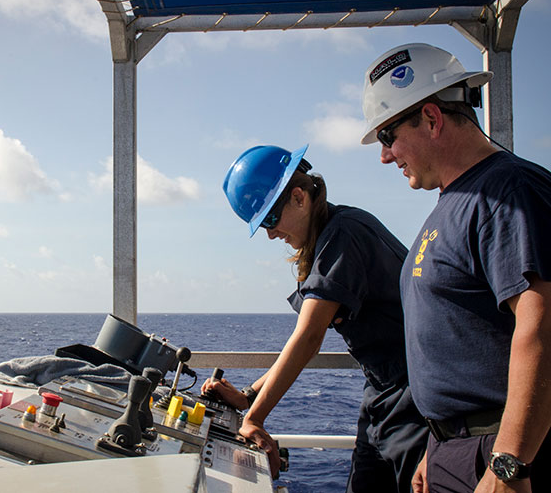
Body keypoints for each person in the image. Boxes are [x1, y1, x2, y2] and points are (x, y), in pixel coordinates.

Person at [359, 42, 551, 493]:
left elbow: (541, 327)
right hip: (457, 450)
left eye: (388, 136)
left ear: (431, 117)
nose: (385, 155)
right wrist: (438, 441)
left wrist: (510, 462)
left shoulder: (508, 191)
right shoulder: (457, 201)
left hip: (500, 455)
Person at [204, 144, 428, 493]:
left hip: (416, 398)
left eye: (269, 219)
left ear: (298, 197)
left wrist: (255, 418)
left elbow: (308, 336)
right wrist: (249, 396)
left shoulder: (344, 235)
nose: (270, 234)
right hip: (384, 395)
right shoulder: (330, 235)